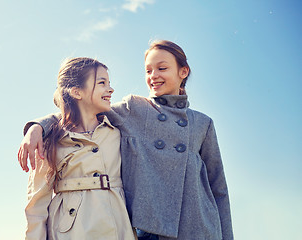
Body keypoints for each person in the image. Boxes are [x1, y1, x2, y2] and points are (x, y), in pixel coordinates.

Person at [19, 40, 234, 239]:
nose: (153, 75)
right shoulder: (135, 109)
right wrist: (37, 127)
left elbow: (219, 188)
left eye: (162, 68)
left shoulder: (203, 123)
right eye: (148, 70)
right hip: (149, 229)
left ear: (183, 71)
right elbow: (80, 109)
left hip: (199, 226)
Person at [24, 57, 136, 240]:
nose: (111, 89)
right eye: (102, 83)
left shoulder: (118, 132)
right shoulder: (50, 140)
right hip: (68, 232)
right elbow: (36, 206)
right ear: (77, 92)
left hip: (118, 226)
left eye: (109, 83)